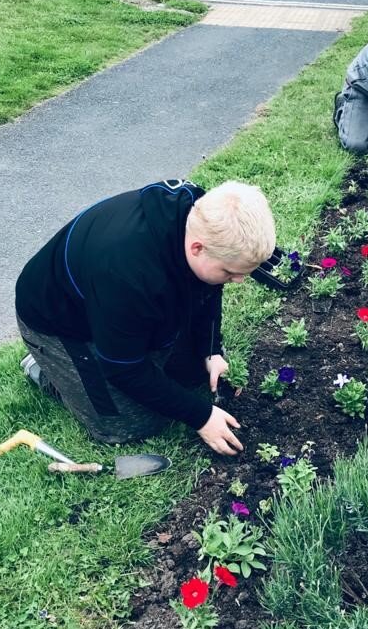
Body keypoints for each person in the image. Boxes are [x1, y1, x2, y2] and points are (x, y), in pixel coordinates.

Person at [15, 179, 275, 456]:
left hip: (118, 309)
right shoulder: (126, 273)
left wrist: (210, 349)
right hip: (62, 323)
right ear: (197, 248)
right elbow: (123, 368)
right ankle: (49, 369)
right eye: (230, 273)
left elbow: (208, 290)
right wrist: (201, 417)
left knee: (192, 375)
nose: (238, 281)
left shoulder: (203, 219)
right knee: (131, 425)